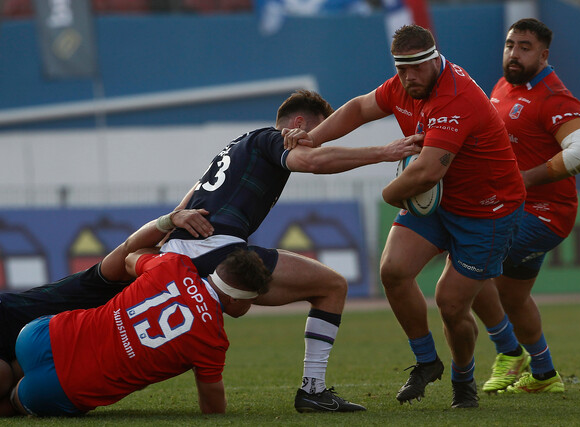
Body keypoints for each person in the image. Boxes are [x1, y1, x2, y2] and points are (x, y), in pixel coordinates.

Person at [283, 25, 527, 409]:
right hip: (441, 203)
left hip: (488, 212)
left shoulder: (455, 98)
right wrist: (314, 138)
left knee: (450, 303)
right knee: (393, 270)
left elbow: (428, 171)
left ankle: (464, 380)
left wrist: (387, 194)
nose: (409, 77)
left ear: (435, 59)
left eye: (417, 67)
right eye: (401, 69)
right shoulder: (405, 83)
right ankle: (427, 360)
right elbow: (360, 108)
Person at [160, 89, 421, 413]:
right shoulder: (273, 139)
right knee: (332, 286)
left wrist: (168, 227)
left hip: (177, 253)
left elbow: (193, 193)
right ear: (298, 123)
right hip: (215, 250)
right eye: (318, 134)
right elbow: (311, 161)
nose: (318, 142)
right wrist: (385, 151)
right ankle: (312, 391)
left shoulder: (238, 145)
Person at [471, 18, 580, 394]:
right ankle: (544, 373)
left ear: (543, 55)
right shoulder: (503, 85)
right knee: (512, 296)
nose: (514, 53)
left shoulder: (555, 98)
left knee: (466, 267)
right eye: (510, 44)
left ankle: (509, 352)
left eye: (524, 47)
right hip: (513, 209)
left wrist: (522, 179)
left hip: (544, 214)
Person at [6, 245, 272, 417]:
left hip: (44, 334)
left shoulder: (174, 265)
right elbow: (213, 408)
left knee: (15, 369)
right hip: (66, 387)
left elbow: (131, 259)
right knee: (14, 400)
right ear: (236, 299)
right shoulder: (212, 341)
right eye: (252, 299)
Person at [0, 208, 214, 415]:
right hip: (9, 320)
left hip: (40, 353)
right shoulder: (108, 282)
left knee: (19, 390)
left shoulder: (163, 296)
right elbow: (128, 248)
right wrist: (170, 219)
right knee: (7, 379)